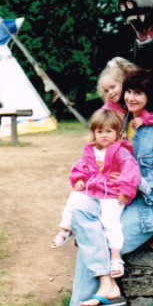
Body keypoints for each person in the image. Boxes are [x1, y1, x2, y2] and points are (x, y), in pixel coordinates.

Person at [60, 69, 153, 306]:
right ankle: (107, 288)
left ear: (150, 96)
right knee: (83, 221)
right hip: (118, 203)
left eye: (138, 93)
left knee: (97, 245)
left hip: (150, 207)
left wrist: (134, 181)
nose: (130, 97)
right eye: (128, 91)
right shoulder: (124, 121)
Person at [51, 108, 141, 279]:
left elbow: (131, 170)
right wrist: (78, 178)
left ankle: (115, 257)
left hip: (113, 193)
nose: (104, 135)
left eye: (109, 131)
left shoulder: (120, 151)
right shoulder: (91, 150)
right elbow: (81, 166)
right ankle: (66, 229)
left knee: (110, 221)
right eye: (100, 131)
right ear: (93, 132)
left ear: (117, 132)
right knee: (74, 199)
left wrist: (126, 191)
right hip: (93, 189)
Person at [98, 56, 153, 128]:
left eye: (112, 87)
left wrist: (144, 118)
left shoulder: (143, 91)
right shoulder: (110, 107)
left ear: (123, 81)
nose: (110, 93)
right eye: (106, 91)